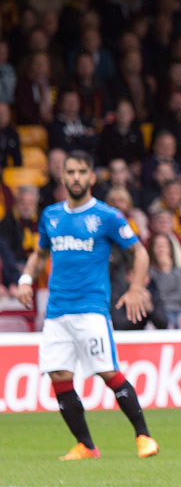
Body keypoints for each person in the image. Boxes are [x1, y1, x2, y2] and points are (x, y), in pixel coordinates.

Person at [14, 150, 158, 460]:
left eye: (81, 172)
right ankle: (86, 445)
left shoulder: (106, 216)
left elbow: (141, 253)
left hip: (91, 309)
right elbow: (40, 254)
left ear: (91, 177)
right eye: (71, 172)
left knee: (107, 371)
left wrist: (135, 289)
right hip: (56, 312)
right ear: (62, 177)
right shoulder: (51, 215)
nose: (76, 178)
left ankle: (144, 436)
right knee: (59, 376)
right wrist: (26, 279)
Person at [148, 232, 181, 328]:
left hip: (179, 309)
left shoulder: (177, 270)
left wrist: (164, 298)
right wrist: (165, 270)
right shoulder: (148, 271)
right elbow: (157, 295)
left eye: (164, 245)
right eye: (157, 245)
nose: (161, 249)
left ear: (170, 249)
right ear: (152, 249)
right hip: (161, 312)